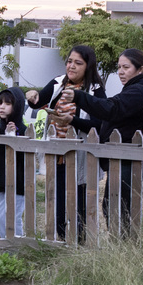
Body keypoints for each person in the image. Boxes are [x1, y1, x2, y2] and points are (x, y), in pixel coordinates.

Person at [27, 44, 104, 241]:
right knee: (58, 200)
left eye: (78, 63)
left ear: (88, 66)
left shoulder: (95, 90)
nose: (72, 66)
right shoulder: (58, 83)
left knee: (79, 202)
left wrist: (72, 121)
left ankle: (79, 242)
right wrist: (31, 96)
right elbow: (38, 101)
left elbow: (97, 125)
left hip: (81, 154)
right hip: (58, 153)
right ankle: (60, 239)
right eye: (69, 61)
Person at [71, 48, 143, 230]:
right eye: (119, 67)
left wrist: (79, 96)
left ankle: (124, 247)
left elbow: (111, 109)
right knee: (112, 207)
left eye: (126, 67)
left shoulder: (139, 90)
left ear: (140, 69)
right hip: (119, 158)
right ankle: (121, 246)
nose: (121, 72)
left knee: (119, 209)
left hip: (127, 159)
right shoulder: (133, 88)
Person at [0, 87, 29, 237]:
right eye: (0, 103)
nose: (2, 106)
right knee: (0, 216)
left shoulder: (24, 130)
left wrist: (15, 135)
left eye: (8, 103)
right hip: (0, 180)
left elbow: (26, 156)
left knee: (13, 217)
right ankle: (7, 245)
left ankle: (18, 247)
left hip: (19, 181)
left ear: (17, 106)